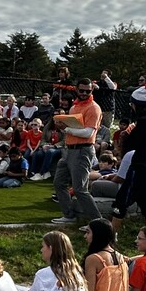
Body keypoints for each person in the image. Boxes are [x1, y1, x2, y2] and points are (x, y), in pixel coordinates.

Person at [49, 76, 103, 225]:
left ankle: (98, 223)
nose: (84, 93)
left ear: (92, 90)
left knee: (80, 189)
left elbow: (88, 133)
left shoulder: (94, 108)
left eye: (88, 91)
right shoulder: (75, 106)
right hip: (69, 149)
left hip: (82, 150)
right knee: (59, 183)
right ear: (76, 89)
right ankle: (69, 215)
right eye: (82, 90)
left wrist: (66, 128)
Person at [114, 88, 146, 227]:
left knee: (121, 202)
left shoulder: (144, 121)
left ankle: (111, 237)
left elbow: (135, 143)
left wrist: (127, 135)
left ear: (136, 105)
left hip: (142, 166)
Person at [82, 219, 129, 291]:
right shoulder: (120, 257)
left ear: (98, 235)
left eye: (88, 232)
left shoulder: (93, 259)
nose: (85, 236)